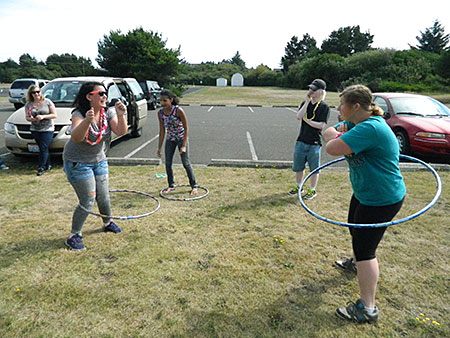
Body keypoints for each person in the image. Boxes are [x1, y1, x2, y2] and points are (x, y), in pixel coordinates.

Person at [323, 85, 406, 324]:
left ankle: (367, 308)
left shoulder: (370, 128)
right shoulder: (355, 124)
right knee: (355, 230)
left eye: (342, 105)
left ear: (355, 106)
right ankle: (357, 264)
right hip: (365, 193)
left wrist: (338, 139)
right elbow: (330, 132)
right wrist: (338, 136)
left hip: (382, 198)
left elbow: (331, 147)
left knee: (365, 249)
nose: (338, 109)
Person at [63, 82, 128, 250]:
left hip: (99, 160)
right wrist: (87, 121)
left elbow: (121, 131)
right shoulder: (78, 114)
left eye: (105, 93)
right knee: (88, 198)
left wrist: (121, 115)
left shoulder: (108, 113)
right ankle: (74, 235)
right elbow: (77, 137)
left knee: (104, 196)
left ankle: (108, 222)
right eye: (100, 93)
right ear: (89, 96)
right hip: (78, 162)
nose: (104, 96)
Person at [289, 79, 330, 200]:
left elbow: (321, 126)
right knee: (298, 166)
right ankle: (299, 186)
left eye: (314, 89)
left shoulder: (324, 107)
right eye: (310, 89)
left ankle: (312, 189)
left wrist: (307, 121)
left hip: (314, 143)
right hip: (301, 140)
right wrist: (307, 102)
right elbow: (298, 116)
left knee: (314, 168)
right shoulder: (305, 103)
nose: (311, 91)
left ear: (321, 91)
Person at [157, 89, 198, 195]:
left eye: (164, 101)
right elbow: (162, 131)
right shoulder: (160, 113)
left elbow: (186, 128)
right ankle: (171, 185)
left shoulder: (178, 111)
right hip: (170, 139)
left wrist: (184, 145)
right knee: (168, 164)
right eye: (160, 101)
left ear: (171, 100)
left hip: (180, 138)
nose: (162, 103)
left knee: (186, 163)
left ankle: (194, 186)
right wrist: (159, 148)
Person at [24, 85, 57, 176]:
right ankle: (48, 165)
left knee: (43, 147)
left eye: (38, 92)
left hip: (47, 128)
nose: (36, 94)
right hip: (35, 129)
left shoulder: (47, 102)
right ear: (31, 94)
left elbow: (54, 115)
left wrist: (43, 117)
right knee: (43, 148)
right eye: (34, 92)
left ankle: (41, 167)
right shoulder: (29, 104)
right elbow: (27, 117)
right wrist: (32, 119)